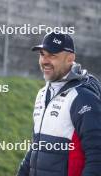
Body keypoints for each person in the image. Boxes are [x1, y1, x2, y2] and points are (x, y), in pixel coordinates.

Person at [17, 32, 101, 176]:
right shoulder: (42, 94)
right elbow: (36, 146)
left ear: (70, 59)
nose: (45, 60)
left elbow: (97, 156)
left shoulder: (82, 97)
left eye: (52, 55)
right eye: (42, 54)